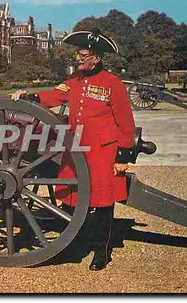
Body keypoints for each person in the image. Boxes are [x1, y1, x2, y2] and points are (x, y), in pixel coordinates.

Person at [11, 29, 135, 271]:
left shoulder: (112, 83)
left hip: (102, 151)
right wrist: (29, 95)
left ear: (96, 58)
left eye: (83, 55)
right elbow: (54, 96)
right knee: (70, 195)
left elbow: (125, 121)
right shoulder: (75, 80)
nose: (78, 59)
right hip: (76, 147)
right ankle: (71, 242)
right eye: (78, 54)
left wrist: (123, 156)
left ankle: (102, 251)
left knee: (102, 202)